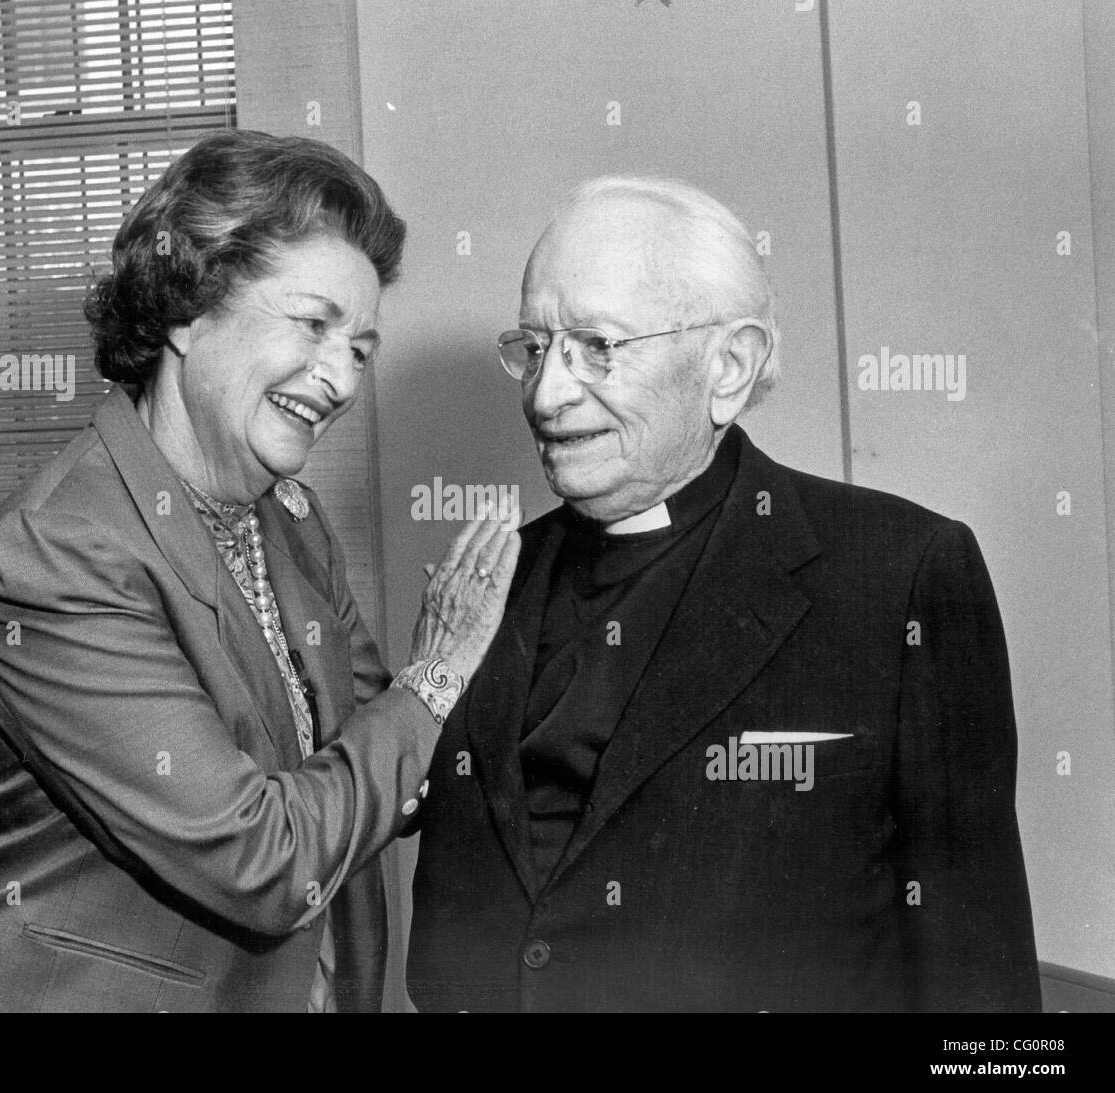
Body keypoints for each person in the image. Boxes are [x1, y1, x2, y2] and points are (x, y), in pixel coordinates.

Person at [0, 129, 519, 1013]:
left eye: (361, 350)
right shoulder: (57, 550)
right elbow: (264, 859)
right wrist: (439, 672)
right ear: (186, 307)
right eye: (313, 325)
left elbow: (389, 752)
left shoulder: (290, 519)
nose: (338, 379)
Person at [405, 175, 1041, 1012]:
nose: (546, 393)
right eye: (533, 346)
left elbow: (979, 978)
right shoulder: (486, 584)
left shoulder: (899, 575)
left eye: (597, 345)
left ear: (729, 367)